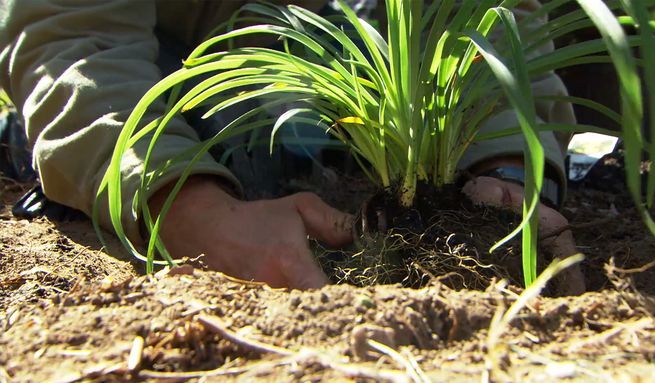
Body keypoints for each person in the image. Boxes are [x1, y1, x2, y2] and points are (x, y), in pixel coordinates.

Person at [0, 0, 585, 294]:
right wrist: (188, 209)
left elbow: (490, 24)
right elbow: (73, 37)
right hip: (167, 70)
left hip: (346, 50)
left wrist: (505, 167)